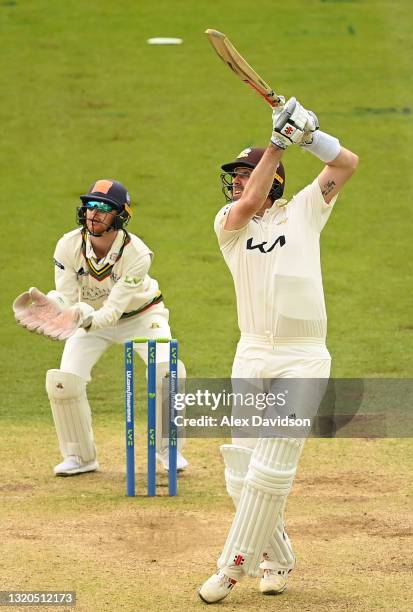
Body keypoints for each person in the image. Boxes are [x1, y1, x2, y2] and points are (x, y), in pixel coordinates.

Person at [198, 98, 358, 603]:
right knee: (238, 474)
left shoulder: (307, 209)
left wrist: (311, 138)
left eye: (247, 175)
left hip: (304, 356)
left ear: (275, 181)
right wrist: (278, 143)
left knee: (272, 467)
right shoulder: (231, 222)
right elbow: (245, 206)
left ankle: (230, 567)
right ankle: (279, 558)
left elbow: (345, 163)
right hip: (252, 354)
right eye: (238, 176)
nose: (239, 183)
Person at [13, 179, 187, 476]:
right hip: (90, 318)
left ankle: (168, 451)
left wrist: (81, 315)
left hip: (142, 316)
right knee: (63, 381)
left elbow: (113, 311)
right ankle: (80, 457)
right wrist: (55, 305)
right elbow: (67, 296)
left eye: (103, 209)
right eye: (90, 206)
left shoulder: (137, 255)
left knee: (168, 369)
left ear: (120, 216)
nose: (93, 214)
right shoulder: (68, 244)